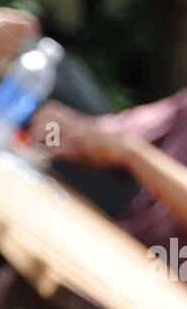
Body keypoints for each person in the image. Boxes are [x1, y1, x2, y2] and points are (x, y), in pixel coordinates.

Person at [28, 91, 187, 272]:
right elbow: (121, 134)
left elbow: (128, 147)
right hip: (112, 260)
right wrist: (69, 128)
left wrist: (133, 153)